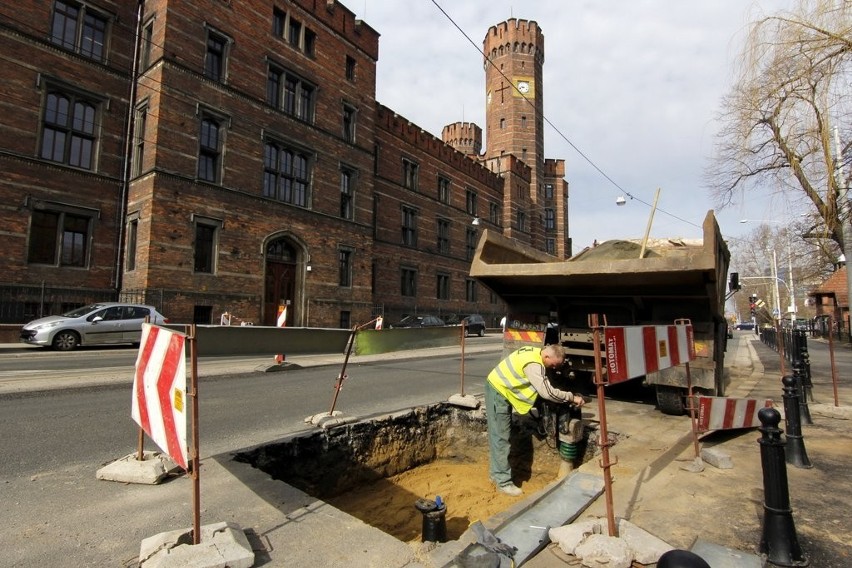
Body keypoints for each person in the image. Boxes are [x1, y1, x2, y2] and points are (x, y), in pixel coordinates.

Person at [485, 344, 584, 496]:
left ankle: (495, 475)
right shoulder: (534, 365)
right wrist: (570, 397)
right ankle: (503, 482)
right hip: (499, 391)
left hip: (500, 388)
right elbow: (547, 393)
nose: (552, 368)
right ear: (547, 357)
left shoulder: (535, 352)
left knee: (499, 435)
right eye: (553, 365)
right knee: (501, 437)